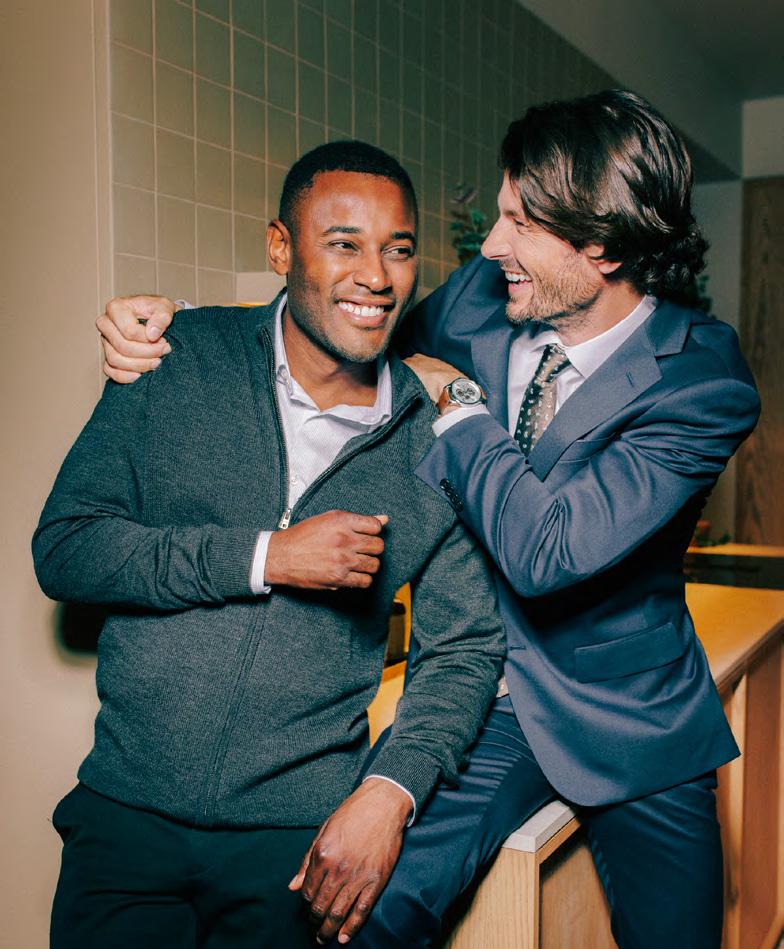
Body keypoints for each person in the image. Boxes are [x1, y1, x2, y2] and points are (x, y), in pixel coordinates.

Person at [97, 91, 760, 948]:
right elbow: (346, 328)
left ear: (598, 245)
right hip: (481, 703)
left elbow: (550, 549)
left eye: (520, 222)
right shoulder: (484, 297)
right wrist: (179, 331)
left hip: (628, 715)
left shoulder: (700, 379)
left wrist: (458, 401)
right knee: (356, 912)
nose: (490, 246)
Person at [33, 141, 506, 949]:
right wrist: (266, 557)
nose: (376, 276)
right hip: (125, 821)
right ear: (281, 248)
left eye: (397, 249)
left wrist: (390, 791)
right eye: (344, 243)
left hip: (296, 847)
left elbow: (465, 648)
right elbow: (68, 547)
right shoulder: (175, 360)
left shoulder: (436, 438)